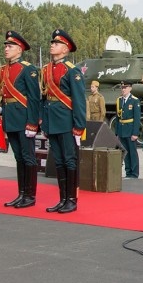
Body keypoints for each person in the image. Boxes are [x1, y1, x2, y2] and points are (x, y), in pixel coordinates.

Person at [40, 29, 87, 213]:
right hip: (52, 122)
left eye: (57, 43)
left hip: (66, 122)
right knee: (58, 161)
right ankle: (62, 199)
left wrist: (79, 125)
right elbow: (44, 98)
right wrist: (44, 122)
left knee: (69, 160)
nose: (52, 45)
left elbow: (78, 100)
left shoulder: (72, 71)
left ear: (66, 49)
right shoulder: (46, 69)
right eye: (52, 42)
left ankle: (71, 200)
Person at [0, 30, 42, 208]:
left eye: (10, 46)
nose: (6, 49)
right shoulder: (4, 69)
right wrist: (1, 108)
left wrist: (33, 123)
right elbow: (5, 93)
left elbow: (34, 98)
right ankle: (21, 193)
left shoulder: (28, 69)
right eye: (6, 46)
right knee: (18, 158)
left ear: (19, 49)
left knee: (28, 157)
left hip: (24, 120)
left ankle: (30, 195)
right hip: (11, 118)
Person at [115, 81, 142, 179]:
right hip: (122, 130)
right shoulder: (119, 100)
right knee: (125, 152)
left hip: (130, 130)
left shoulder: (134, 100)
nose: (123, 89)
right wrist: (117, 132)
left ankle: (134, 173)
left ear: (130, 88)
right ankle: (128, 172)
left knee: (132, 152)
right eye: (122, 88)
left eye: (125, 87)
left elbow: (137, 118)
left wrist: (135, 133)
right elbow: (118, 118)